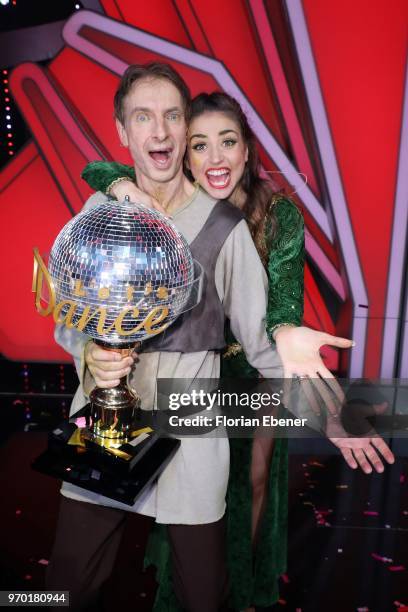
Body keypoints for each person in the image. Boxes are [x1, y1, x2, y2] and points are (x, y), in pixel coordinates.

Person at [47, 63, 394, 612]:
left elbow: (262, 347)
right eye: (143, 117)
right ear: (122, 132)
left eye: (171, 117)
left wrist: (333, 414)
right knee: (61, 590)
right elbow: (69, 317)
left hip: (193, 432)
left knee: (203, 597)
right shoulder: (100, 213)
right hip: (107, 422)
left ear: (184, 130)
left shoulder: (224, 227)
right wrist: (89, 351)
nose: (158, 131)